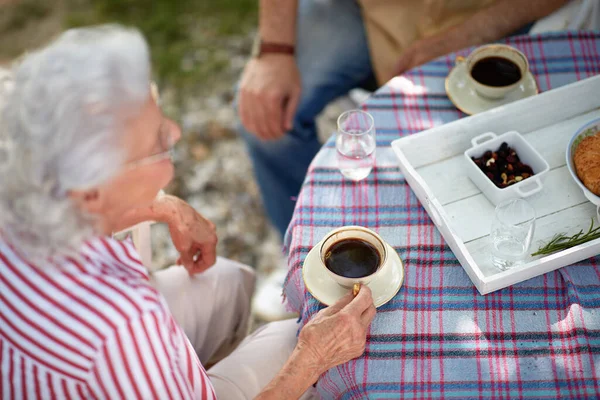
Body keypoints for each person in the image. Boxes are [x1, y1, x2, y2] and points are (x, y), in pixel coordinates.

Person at [0, 25, 376, 399]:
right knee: (297, 341)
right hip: (111, 353)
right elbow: (120, 330)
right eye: (158, 142)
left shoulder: (21, 184)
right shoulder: (123, 323)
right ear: (93, 188)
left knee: (229, 282)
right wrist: (312, 357)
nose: (176, 132)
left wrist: (159, 205)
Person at [236, 0, 570, 238]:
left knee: (474, 156)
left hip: (484, 15)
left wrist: (470, 33)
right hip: (365, 11)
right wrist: (275, 50)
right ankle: (300, 250)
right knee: (268, 118)